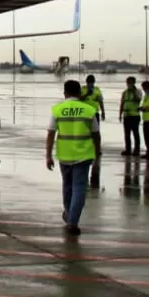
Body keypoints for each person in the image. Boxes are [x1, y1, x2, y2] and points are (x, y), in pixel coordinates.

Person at [46, 79, 101, 236]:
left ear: (65, 93)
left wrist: (48, 155)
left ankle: (69, 214)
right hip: (83, 155)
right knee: (79, 188)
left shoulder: (58, 109)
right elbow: (96, 134)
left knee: (67, 186)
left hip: (64, 154)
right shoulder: (88, 110)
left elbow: (51, 133)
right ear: (79, 93)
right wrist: (97, 154)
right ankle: (72, 221)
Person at [119, 76, 142, 156]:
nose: (128, 84)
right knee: (127, 134)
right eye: (127, 83)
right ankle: (128, 150)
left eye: (130, 83)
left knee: (135, 133)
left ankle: (137, 150)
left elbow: (138, 100)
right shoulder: (125, 92)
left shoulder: (138, 91)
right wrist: (120, 114)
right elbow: (122, 103)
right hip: (126, 115)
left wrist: (133, 91)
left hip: (135, 115)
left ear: (133, 83)